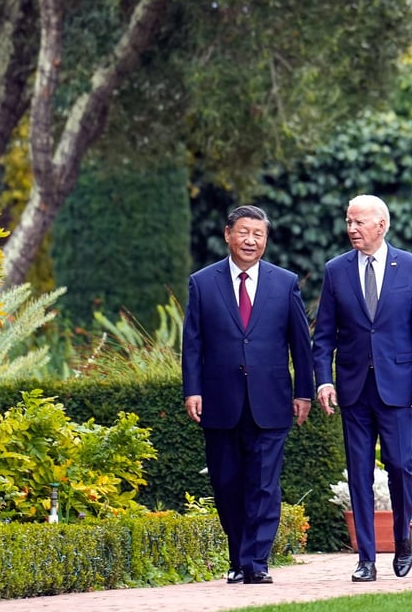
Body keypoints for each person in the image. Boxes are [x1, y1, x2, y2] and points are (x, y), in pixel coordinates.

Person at [182, 205, 313, 585]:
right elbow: (193, 343)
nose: (250, 240)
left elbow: (300, 345)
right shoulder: (202, 283)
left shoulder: (284, 282)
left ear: (266, 240)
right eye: (243, 232)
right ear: (228, 234)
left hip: (271, 401)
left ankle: (256, 563)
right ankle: (238, 556)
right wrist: (193, 389)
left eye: (258, 234)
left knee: (264, 485)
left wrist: (303, 391)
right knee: (226, 483)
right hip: (220, 401)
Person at [312, 194, 412, 582]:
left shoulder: (411, 266)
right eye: (348, 222)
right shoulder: (336, 270)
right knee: (359, 472)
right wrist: (324, 378)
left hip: (398, 388)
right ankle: (366, 557)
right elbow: (324, 336)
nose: (351, 229)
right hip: (353, 389)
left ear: (381, 226)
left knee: (401, 466)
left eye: (359, 222)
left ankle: (403, 541)